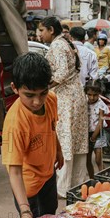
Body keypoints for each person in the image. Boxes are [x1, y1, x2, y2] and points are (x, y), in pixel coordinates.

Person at [2, 52, 64, 218]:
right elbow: (14, 171)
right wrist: (25, 210)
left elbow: (52, 128)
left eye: (42, 93)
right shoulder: (15, 123)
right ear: (14, 88)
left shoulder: (51, 99)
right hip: (28, 188)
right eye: (29, 95)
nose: (37, 101)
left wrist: (58, 151)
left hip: (48, 176)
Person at [39, 16, 88, 198]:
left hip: (66, 98)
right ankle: (77, 183)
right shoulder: (69, 42)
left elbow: (60, 73)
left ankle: (63, 188)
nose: (40, 34)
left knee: (65, 139)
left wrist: (44, 89)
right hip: (77, 95)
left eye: (42, 30)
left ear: (51, 30)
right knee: (76, 141)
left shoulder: (58, 45)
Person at [85, 79, 110, 179]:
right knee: (88, 160)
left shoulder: (101, 105)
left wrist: (94, 137)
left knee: (98, 159)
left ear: (99, 93)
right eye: (89, 95)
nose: (92, 97)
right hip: (87, 133)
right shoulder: (84, 102)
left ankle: (104, 178)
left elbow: (100, 122)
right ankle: (92, 179)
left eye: (95, 95)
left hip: (98, 133)